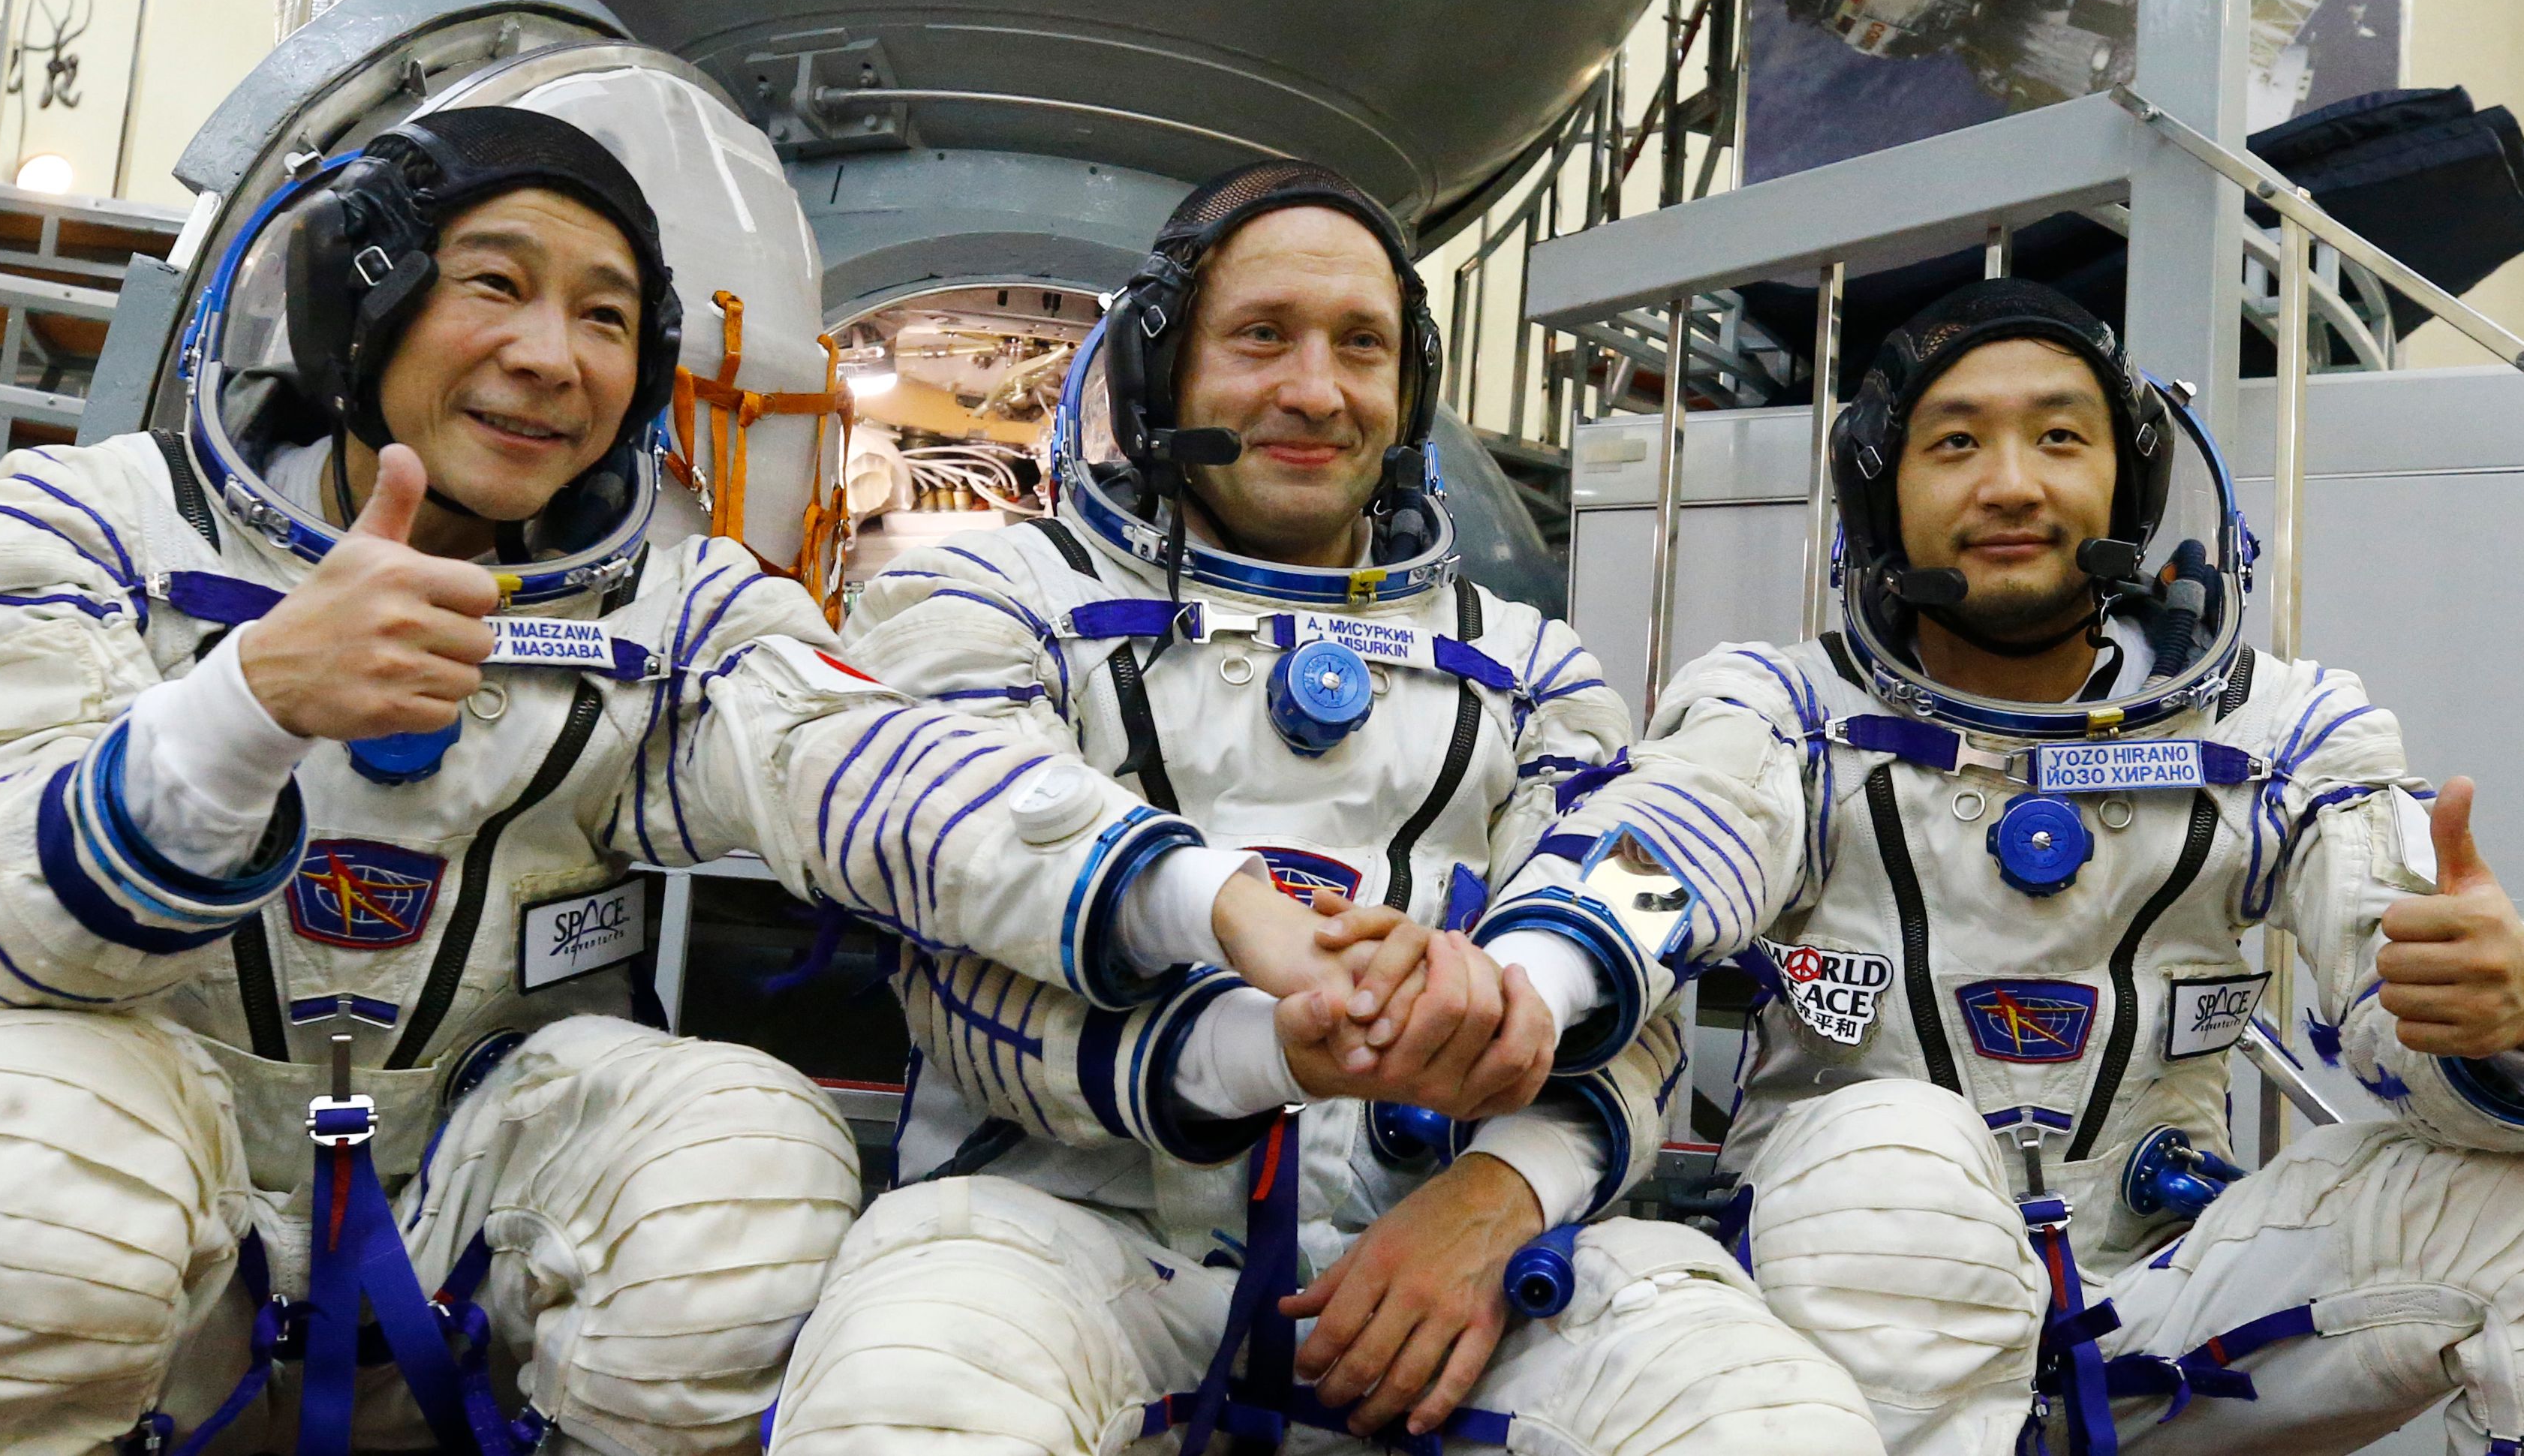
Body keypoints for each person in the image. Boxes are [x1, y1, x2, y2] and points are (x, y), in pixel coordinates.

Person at [0, 91, 1371, 1456]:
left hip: (465, 1198)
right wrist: (247, 705)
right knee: (3, 1155)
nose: (551, 357)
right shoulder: (85, 532)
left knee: (748, 1171)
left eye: (605, 317)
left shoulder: (669, 610)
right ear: (357, 297)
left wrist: (1211, 898)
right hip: (149, 1185)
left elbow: (886, 767)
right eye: (495, 284)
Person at [769, 161, 1883, 1455]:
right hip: (1073, 1239)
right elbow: (960, 941)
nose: (1314, 389)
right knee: (911, 1394)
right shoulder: (991, 601)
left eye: (1362, 345)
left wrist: (1502, 1193)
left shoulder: (1528, 667)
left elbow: (1640, 984)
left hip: (1451, 1259)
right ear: (1158, 371)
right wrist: (1263, 1012)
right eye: (1260, 337)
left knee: (1764, 1418)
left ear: (1407, 393)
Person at [1479, 278, 2524, 1454]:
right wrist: (1536, 973)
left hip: (2160, 1309)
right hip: (1845, 1333)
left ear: (2127, 482)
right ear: (1881, 492)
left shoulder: (2285, 731)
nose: (2011, 482)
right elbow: (1669, 849)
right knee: (1892, 1159)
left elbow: (2406, 983)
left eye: (2060, 436)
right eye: (1955, 443)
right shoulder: (1787, 714)